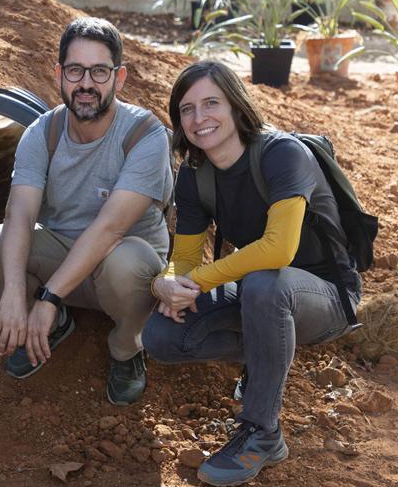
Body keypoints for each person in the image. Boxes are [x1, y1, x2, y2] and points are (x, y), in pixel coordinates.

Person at [143, 60, 361, 486]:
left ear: (236, 107)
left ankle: (262, 432)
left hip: (326, 295)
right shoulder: (194, 174)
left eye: (211, 103)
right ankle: (266, 356)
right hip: (263, 294)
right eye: (186, 109)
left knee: (265, 282)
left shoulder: (282, 154)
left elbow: (280, 249)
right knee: (163, 336)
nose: (199, 117)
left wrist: (200, 282)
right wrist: (167, 282)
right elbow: (184, 258)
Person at [0, 17, 173, 405]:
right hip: (63, 253)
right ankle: (57, 322)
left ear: (120, 77)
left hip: (122, 266)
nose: (86, 84)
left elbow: (111, 228)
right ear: (59, 74)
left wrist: (46, 297)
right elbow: (20, 213)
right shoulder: (41, 133)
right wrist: (15, 292)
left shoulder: (144, 135)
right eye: (76, 70)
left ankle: (127, 348)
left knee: (126, 261)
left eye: (100, 72)